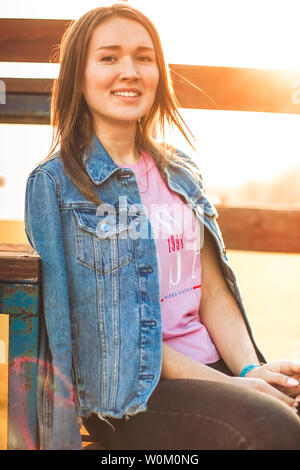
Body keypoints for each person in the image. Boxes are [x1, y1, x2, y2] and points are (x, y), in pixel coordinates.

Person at [24, 3, 300, 450]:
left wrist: (252, 372)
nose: (129, 70)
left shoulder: (180, 170)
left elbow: (211, 293)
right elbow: (95, 328)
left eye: (143, 57)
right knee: (272, 429)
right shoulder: (55, 184)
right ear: (78, 75)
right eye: (109, 57)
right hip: (134, 394)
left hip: (215, 371)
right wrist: (238, 389)